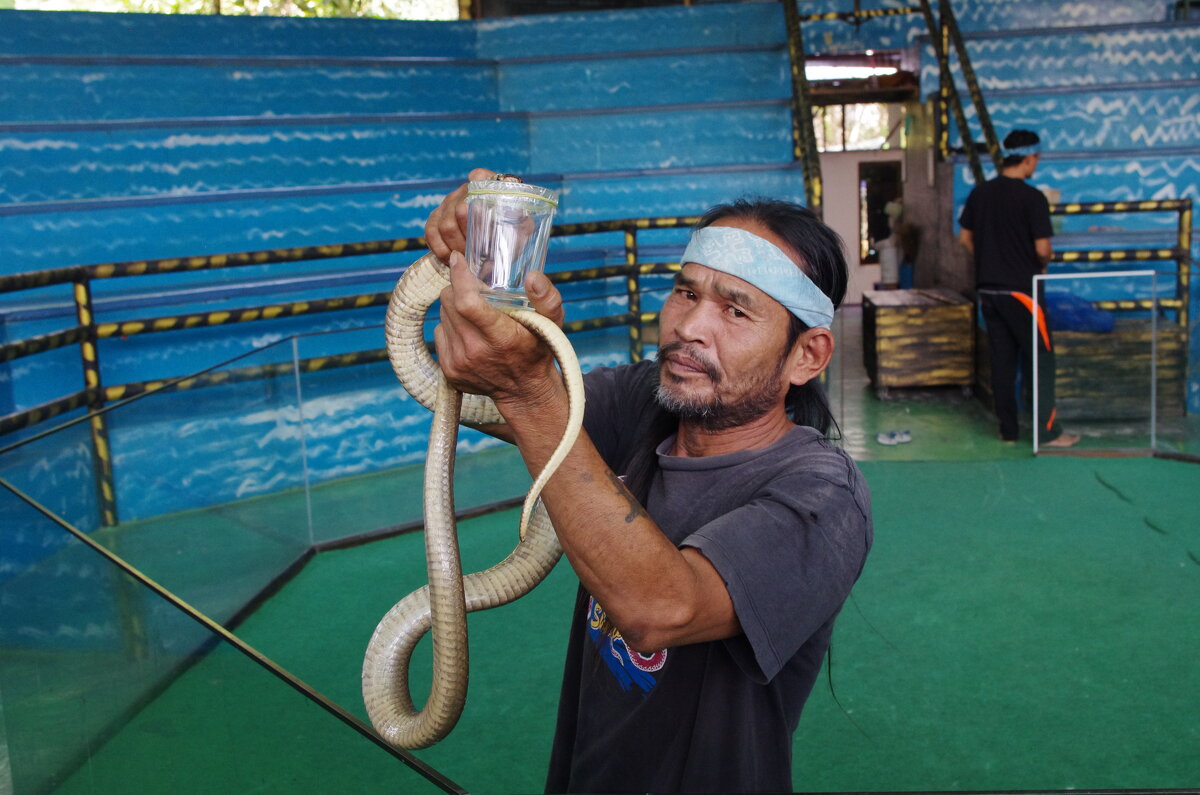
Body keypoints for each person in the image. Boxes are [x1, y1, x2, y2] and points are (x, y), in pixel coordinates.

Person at [425, 168, 873, 793]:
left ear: (808, 356)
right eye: (686, 294)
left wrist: (529, 391)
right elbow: (493, 391)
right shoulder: (652, 401)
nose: (690, 327)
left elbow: (661, 607)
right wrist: (487, 262)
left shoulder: (825, 496)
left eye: (736, 310)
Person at [958, 129, 1079, 447]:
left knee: (1003, 361)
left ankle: (1007, 431)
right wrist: (1041, 258)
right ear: (1028, 159)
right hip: (1023, 291)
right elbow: (1042, 248)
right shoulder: (1032, 197)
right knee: (1041, 357)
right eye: (1036, 160)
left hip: (990, 292)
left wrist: (991, 261)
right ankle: (1047, 432)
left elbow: (965, 239)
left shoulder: (979, 194)